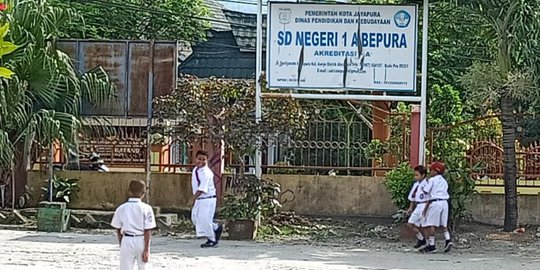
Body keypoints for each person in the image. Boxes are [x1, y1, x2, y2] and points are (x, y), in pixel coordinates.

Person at [111, 180, 156, 270]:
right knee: (143, 267)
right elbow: (147, 230)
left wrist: (122, 243)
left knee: (125, 267)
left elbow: (118, 229)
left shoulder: (121, 208)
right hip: (141, 240)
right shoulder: (147, 208)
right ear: (144, 193)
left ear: (129, 191)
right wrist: (146, 249)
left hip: (127, 239)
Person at [189, 149, 223, 248]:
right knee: (196, 219)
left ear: (207, 160)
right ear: (195, 159)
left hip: (207, 199)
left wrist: (193, 198)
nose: (201, 161)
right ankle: (216, 227)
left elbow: (202, 189)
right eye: (199, 159)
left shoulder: (207, 173)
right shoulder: (196, 170)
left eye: (204, 159)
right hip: (200, 199)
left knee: (205, 219)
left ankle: (212, 239)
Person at [421, 162, 453, 253]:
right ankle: (448, 240)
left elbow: (426, 191)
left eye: (431, 170)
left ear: (435, 171)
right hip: (444, 203)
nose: (429, 172)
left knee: (431, 224)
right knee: (444, 224)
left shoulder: (432, 180)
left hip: (435, 203)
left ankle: (432, 245)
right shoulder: (444, 181)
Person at [405, 165, 429, 250]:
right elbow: (413, 197)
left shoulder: (427, 184)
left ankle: (428, 243)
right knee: (410, 224)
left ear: (423, 175)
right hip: (418, 205)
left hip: (424, 205)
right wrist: (410, 208)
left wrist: (426, 208)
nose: (415, 177)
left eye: (417, 175)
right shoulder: (416, 185)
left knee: (425, 225)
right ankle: (421, 239)